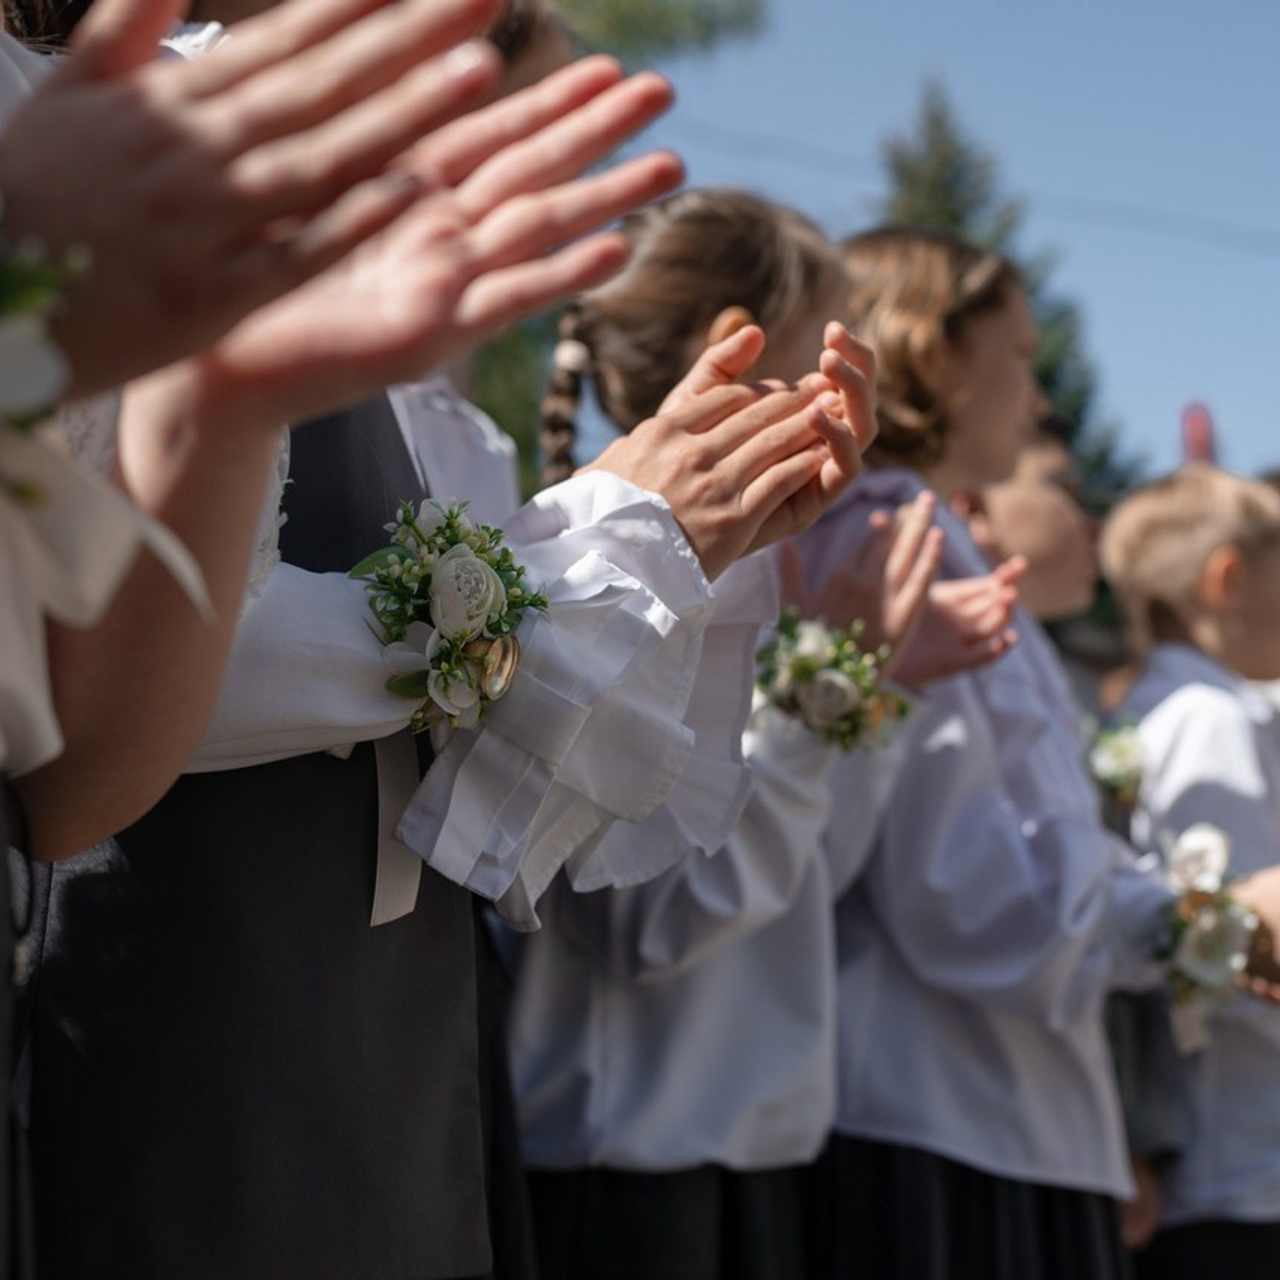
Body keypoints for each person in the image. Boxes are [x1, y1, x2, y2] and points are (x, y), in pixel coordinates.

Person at [22, 9, 874, 1275]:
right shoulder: (142, 184)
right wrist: (594, 550)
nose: (528, 190)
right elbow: (111, 664)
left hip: (399, 1038)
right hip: (189, 1002)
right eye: (505, 129)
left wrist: (687, 546)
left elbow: (495, 811)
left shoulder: (443, 418)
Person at [504, 189, 1019, 1280]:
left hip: (752, 1139)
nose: (859, 396)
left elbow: (804, 882)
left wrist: (856, 689)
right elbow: (649, 920)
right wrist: (827, 696)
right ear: (733, 353)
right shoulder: (615, 565)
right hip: (627, 1150)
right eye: (833, 346)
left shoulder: (769, 564)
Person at [796, 226, 1280, 1280]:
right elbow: (966, 893)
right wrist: (1214, 921)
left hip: (1000, 1114)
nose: (1039, 394)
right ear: (931, 354)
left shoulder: (926, 530)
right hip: (940, 1114)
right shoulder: (892, 533)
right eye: (1016, 355)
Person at [1101, 464, 1280, 1280]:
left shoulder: (1151, 712)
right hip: (1247, 1156)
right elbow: (1246, 933)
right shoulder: (1214, 718)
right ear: (1229, 580)